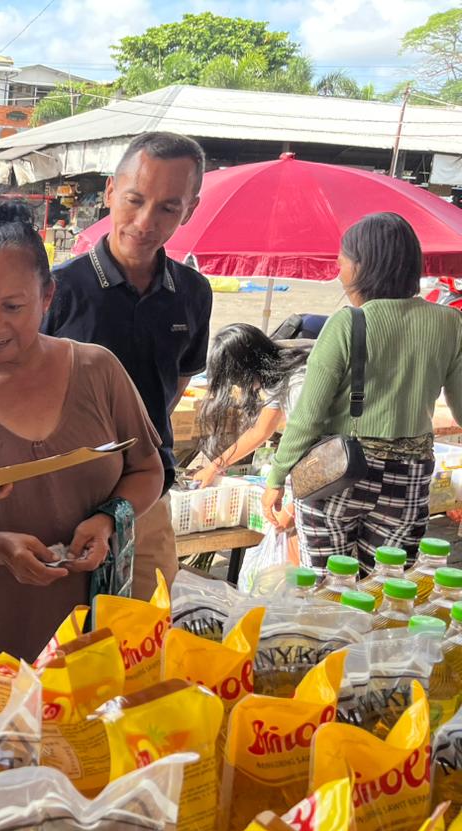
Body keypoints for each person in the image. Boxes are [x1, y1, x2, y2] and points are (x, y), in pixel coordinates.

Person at [0, 200, 164, 659]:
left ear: (47, 297)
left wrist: (107, 521)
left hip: (90, 615)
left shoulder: (99, 371)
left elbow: (146, 469)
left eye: (14, 307)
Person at [42, 131, 210, 599]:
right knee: (59, 637)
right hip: (60, 493)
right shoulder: (58, 290)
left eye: (168, 208)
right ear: (111, 192)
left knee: (142, 631)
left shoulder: (193, 293)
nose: (144, 221)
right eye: (134, 200)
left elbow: (174, 385)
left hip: (147, 495)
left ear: (189, 209)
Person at [263, 212, 462, 572]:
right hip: (409, 479)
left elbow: (309, 416)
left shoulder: (347, 322)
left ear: (363, 266)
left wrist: (277, 478)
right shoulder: (450, 321)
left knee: (328, 589)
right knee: (386, 590)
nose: (339, 270)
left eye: (343, 261)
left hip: (340, 474)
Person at [192, 324, 311, 493]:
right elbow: (260, 431)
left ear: (246, 369)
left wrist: (280, 490)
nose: (241, 386)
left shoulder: (297, 383)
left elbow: (307, 441)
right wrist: (214, 467)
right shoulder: (276, 379)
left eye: (236, 379)